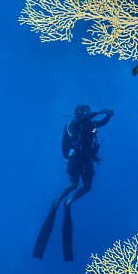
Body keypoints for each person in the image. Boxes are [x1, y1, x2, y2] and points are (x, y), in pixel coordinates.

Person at [33, 105, 114, 262]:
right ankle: (58, 200)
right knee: (73, 184)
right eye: (86, 112)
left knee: (87, 186)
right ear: (80, 113)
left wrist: (108, 116)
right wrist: (97, 112)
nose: (88, 113)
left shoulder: (90, 124)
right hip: (75, 160)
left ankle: (68, 201)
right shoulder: (72, 124)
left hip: (86, 160)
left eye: (89, 111)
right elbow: (81, 121)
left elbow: (102, 123)